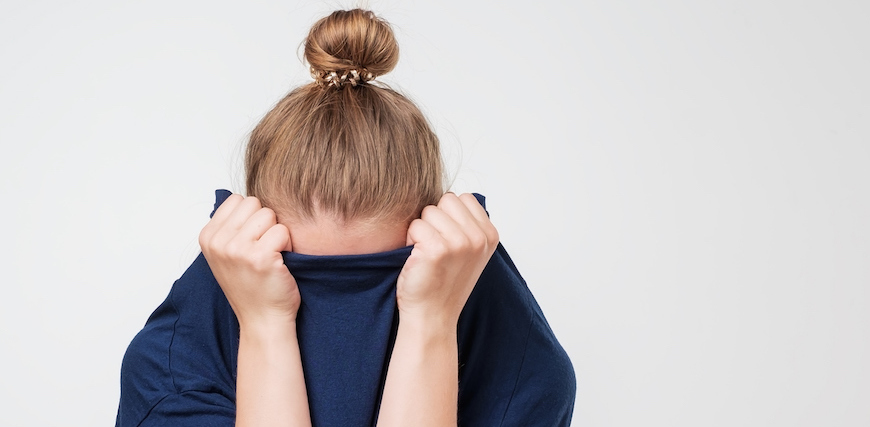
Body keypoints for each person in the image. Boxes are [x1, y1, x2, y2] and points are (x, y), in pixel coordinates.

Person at [115, 9, 575, 427]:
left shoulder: (522, 369)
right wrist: (265, 325)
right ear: (243, 250)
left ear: (443, 252)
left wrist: (429, 321)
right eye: (305, 278)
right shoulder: (168, 377)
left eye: (386, 280)